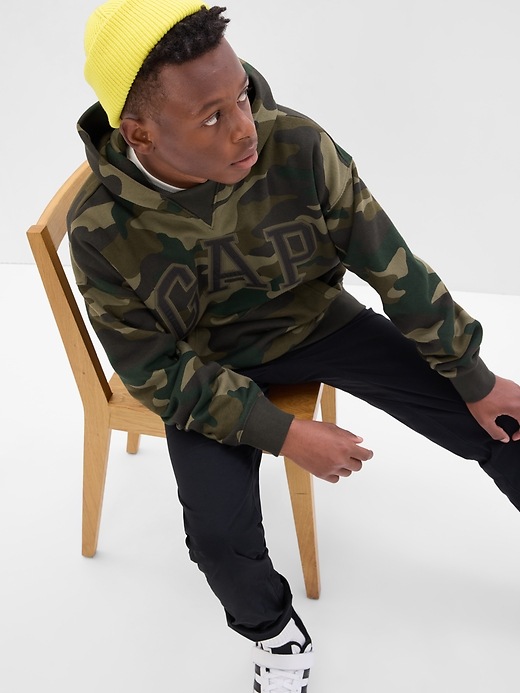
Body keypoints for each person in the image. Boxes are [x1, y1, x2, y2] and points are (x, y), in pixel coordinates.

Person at [70, 1, 520, 690]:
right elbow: (153, 370)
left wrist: (473, 374)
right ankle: (274, 637)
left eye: (240, 96)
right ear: (141, 133)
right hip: (206, 369)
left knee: (504, 422)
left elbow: (391, 265)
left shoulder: (297, 146)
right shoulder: (100, 228)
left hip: (316, 322)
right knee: (216, 539)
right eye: (212, 117)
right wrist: (281, 433)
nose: (243, 127)